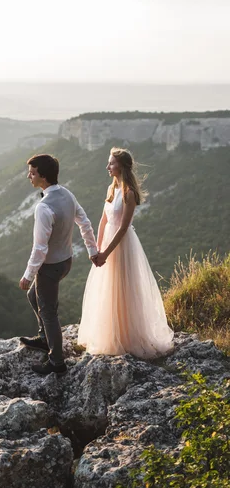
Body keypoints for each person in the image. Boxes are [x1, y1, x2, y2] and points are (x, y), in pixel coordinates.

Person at [78, 147, 174, 358]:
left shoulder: (129, 193)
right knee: (107, 287)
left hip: (122, 245)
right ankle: (111, 332)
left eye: (111, 163)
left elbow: (123, 228)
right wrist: (97, 248)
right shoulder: (111, 190)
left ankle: (128, 336)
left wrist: (106, 252)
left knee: (123, 287)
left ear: (121, 166)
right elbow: (104, 220)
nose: (107, 167)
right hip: (106, 244)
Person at [19, 153, 99, 375]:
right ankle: (45, 337)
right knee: (33, 296)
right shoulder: (67, 194)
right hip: (66, 261)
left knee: (49, 312)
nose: (29, 176)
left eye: (32, 172)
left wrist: (28, 274)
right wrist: (92, 250)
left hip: (49, 267)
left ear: (42, 176)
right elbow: (84, 221)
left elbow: (40, 249)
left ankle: (56, 362)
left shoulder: (43, 207)